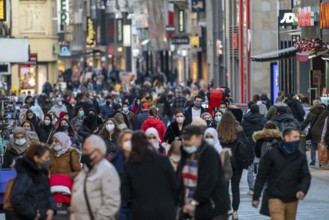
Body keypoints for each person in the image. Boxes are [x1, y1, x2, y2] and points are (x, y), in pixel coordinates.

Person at [252, 128, 311, 220]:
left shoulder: (300, 157)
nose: (298, 140)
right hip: (275, 196)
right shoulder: (272, 153)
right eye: (295, 137)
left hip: (292, 198)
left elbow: (306, 176)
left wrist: (302, 190)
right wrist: (256, 197)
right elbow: (261, 175)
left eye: (298, 137)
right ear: (286, 138)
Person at [121, 131, 178, 220]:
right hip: (166, 210)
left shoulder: (130, 164)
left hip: (142, 211)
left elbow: (125, 192)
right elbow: (174, 184)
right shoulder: (163, 160)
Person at [179, 125, 230, 220]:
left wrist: (195, 201)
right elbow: (181, 179)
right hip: (193, 207)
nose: (186, 141)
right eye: (185, 138)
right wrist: (183, 202)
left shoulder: (209, 153)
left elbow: (208, 180)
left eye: (189, 138)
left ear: (199, 138)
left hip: (213, 206)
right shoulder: (185, 152)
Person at [70, 135, 121, 220]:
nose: (84, 153)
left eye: (86, 150)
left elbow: (111, 204)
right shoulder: (86, 170)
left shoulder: (107, 170)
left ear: (97, 152)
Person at [10, 143, 56, 220]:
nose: (48, 160)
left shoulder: (42, 173)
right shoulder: (25, 175)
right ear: (36, 158)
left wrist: (52, 208)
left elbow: (48, 193)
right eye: (46, 157)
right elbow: (16, 198)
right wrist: (33, 213)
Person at [217, 112, 248, 219]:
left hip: (223, 162)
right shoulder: (238, 130)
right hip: (236, 163)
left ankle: (227, 208)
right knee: (236, 188)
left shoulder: (219, 131)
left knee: (224, 187)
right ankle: (235, 210)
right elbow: (245, 145)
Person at [241, 104, 267, 195]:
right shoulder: (263, 120)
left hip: (249, 145)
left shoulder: (244, 120)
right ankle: (260, 188)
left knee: (250, 168)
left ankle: (251, 189)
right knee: (261, 167)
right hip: (260, 145)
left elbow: (242, 133)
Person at [300, 100, 327, 166]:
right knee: (321, 146)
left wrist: (299, 128)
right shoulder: (324, 112)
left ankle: (313, 161)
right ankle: (321, 161)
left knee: (313, 146)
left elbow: (305, 123)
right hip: (322, 132)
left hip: (313, 132)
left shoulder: (310, 113)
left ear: (313, 105)